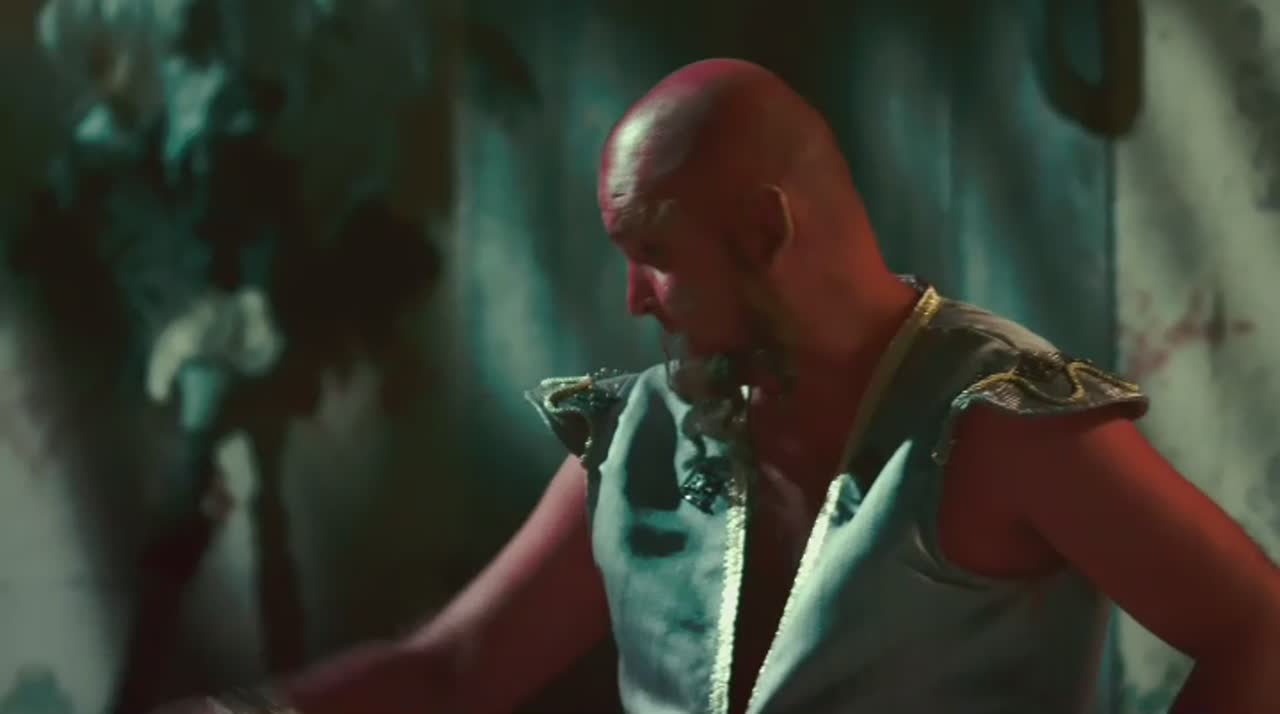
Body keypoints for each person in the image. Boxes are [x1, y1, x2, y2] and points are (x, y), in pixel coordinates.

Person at [155, 58, 1280, 714]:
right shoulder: (641, 436)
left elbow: (1253, 624)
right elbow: (455, 669)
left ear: (762, 231)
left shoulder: (996, 423)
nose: (634, 300)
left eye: (653, 254)